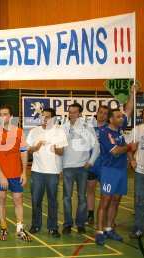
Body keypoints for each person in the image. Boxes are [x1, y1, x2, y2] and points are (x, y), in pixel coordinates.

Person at [87, 85, 135, 225]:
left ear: (108, 117)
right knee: (91, 189)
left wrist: (132, 94)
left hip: (107, 165)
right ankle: (91, 216)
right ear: (96, 113)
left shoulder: (115, 126)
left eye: (104, 113)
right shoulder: (89, 126)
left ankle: (108, 223)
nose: (101, 115)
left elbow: (129, 109)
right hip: (93, 163)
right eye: (99, 112)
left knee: (108, 196)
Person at [0, 105, 32, 242]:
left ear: (11, 117)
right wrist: (1, 175)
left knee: (18, 200)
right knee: (1, 200)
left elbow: (24, 153)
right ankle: (3, 227)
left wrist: (24, 172)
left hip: (15, 173)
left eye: (5, 114)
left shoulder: (19, 132)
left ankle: (20, 229)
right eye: (0, 114)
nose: (2, 117)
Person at [95, 108, 137, 245]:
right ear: (111, 119)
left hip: (121, 170)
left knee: (116, 200)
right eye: (119, 117)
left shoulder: (119, 132)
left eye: (122, 117)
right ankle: (100, 232)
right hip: (109, 170)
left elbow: (124, 146)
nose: (122, 119)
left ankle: (108, 228)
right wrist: (131, 148)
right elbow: (115, 151)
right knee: (105, 201)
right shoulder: (104, 133)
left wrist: (131, 159)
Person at [27, 108, 67, 237]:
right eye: (43, 116)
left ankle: (52, 227)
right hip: (37, 170)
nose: (45, 119)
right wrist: (36, 147)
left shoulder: (59, 132)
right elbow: (28, 149)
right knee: (36, 200)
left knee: (52, 201)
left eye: (48, 117)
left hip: (53, 171)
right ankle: (36, 225)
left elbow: (61, 152)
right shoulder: (34, 131)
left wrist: (55, 148)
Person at [62, 103, 99, 235]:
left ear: (80, 113)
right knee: (67, 197)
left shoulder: (87, 127)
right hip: (67, 167)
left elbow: (96, 145)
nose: (72, 115)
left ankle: (80, 224)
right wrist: (60, 165)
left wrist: (91, 161)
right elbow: (60, 147)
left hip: (83, 168)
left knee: (82, 198)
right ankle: (67, 224)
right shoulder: (63, 127)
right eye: (70, 112)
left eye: (75, 112)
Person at [127, 105, 144, 238]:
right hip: (142, 171)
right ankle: (139, 228)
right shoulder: (138, 130)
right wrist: (132, 161)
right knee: (140, 202)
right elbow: (129, 147)